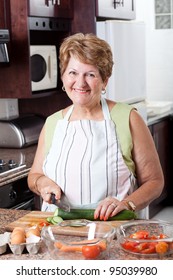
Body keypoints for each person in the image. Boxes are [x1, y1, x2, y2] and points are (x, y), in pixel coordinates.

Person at [27, 33, 164, 220]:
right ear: (63, 76)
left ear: (104, 80)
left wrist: (126, 204)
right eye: (73, 73)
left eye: (90, 74)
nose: (80, 83)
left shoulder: (128, 118)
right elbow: (34, 175)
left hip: (112, 231)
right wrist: (42, 183)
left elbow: (154, 181)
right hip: (57, 235)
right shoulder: (53, 123)